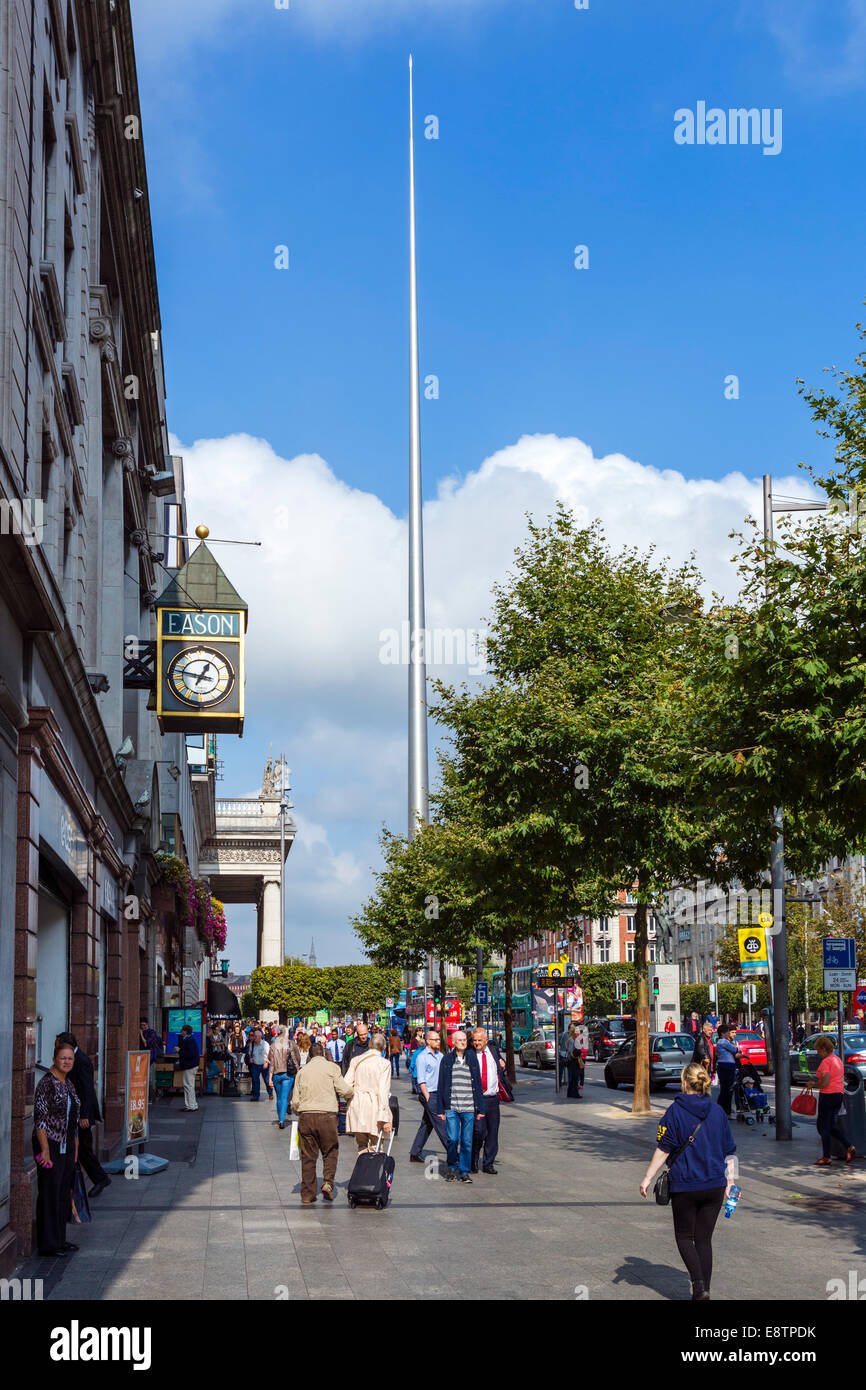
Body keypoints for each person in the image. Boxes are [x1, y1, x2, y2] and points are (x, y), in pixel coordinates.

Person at [639, 1061, 737, 1301]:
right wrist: (732, 1183)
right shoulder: (718, 1112)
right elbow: (729, 1151)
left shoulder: (674, 1111)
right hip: (715, 1185)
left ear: (684, 1083)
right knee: (704, 1239)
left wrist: (648, 1177)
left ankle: (699, 1284)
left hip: (685, 1185)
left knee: (684, 1237)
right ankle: (704, 1292)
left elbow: (664, 1149)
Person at [32, 1040, 81, 1256]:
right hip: (50, 1144)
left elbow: (74, 1118)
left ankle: (60, 1240)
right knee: (50, 1193)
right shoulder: (46, 1083)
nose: (67, 1061)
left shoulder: (67, 1082)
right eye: (63, 1058)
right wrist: (44, 1150)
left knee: (62, 1192)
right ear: (54, 1059)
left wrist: (75, 1149)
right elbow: (40, 1120)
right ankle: (48, 1244)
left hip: (67, 1145)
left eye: (70, 1058)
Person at [290, 1041, 354, 1203]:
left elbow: (295, 1102)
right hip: (328, 1117)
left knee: (308, 1157)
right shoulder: (332, 1068)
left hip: (307, 1117)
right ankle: (327, 1182)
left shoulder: (302, 1072)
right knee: (330, 1151)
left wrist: (300, 1112)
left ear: (310, 1056)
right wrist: (352, 1092)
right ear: (323, 1054)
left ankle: (307, 1194)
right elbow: (344, 1090)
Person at [55, 1032, 111, 1199]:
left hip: (81, 1114)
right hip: (72, 1112)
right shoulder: (71, 1058)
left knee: (84, 1148)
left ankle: (100, 1178)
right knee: (79, 1149)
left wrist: (84, 1115)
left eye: (59, 1045)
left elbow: (87, 1089)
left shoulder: (82, 1060)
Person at [437, 1029, 485, 1182]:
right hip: (451, 1106)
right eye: (460, 1040)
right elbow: (441, 1084)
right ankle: (452, 1166)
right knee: (452, 1139)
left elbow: (477, 1083)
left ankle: (464, 1171)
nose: (464, 1042)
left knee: (467, 1141)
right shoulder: (446, 1060)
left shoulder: (471, 1059)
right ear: (453, 1042)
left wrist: (480, 1108)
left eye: (465, 1040)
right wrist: (440, 1109)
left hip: (469, 1107)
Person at [345, 1033, 393, 1153]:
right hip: (374, 1107)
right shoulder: (384, 1063)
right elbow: (383, 1090)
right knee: (375, 1146)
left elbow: (346, 1084)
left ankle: (362, 1169)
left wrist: (351, 1098)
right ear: (383, 1047)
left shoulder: (356, 1060)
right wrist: (385, 1117)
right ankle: (373, 1171)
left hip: (357, 1105)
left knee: (361, 1145)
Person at [812, 1035, 855, 1166]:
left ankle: (826, 1157)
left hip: (828, 1095)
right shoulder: (837, 1060)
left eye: (819, 1050)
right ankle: (848, 1146)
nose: (818, 1053)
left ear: (824, 1049)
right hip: (838, 1095)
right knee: (830, 1125)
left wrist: (812, 1085)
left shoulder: (826, 1062)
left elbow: (825, 1083)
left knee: (823, 1127)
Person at [471, 1027, 508, 1173]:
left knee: (493, 1133)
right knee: (478, 1131)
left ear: (486, 1040)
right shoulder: (470, 1054)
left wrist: (503, 1066)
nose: (477, 1043)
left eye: (480, 1040)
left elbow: (499, 1066)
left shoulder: (493, 1051)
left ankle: (488, 1163)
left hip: (493, 1099)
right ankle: (473, 1160)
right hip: (477, 1099)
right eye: (474, 1040)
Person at [409, 1029, 449, 1163]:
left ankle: (415, 1152)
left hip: (439, 1093)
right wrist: (428, 1097)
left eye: (439, 1039)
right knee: (441, 1124)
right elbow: (421, 1079)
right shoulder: (422, 1057)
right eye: (436, 1039)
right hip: (429, 1094)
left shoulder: (440, 1056)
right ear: (428, 1041)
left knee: (427, 1124)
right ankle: (454, 1153)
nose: (439, 1042)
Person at [269, 1025, 300, 1129]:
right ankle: (282, 1119)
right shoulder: (290, 1044)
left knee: (279, 1097)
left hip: (276, 1074)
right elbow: (295, 1059)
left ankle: (280, 1117)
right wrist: (298, 1070)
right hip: (288, 1074)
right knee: (284, 1097)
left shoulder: (273, 1045)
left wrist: (269, 1078)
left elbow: (271, 1062)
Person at [714, 1024, 741, 1117]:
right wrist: (736, 1048)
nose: (729, 1034)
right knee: (727, 1090)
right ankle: (724, 1111)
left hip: (726, 1066)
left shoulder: (723, 1042)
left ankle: (725, 1110)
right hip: (726, 1066)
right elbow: (735, 1049)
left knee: (726, 1090)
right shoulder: (723, 1042)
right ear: (722, 1033)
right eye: (727, 1032)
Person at [177, 1024, 200, 1111]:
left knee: (188, 1086)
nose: (181, 1031)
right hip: (192, 1065)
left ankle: (190, 1106)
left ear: (185, 1031)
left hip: (189, 1066)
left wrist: (179, 1050)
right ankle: (192, 1104)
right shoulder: (190, 1040)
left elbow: (190, 1054)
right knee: (190, 1086)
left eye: (182, 1030)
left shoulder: (189, 1041)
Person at [247, 1027, 273, 1101]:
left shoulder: (265, 1044)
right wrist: (250, 1058)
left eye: (255, 1036)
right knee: (255, 1080)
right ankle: (256, 1095)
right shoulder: (252, 1044)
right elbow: (250, 1053)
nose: (253, 1038)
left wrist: (266, 1062)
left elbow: (269, 1054)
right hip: (255, 1064)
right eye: (253, 1036)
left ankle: (270, 1093)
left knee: (267, 1080)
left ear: (259, 1037)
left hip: (264, 1065)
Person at [565, 1023, 585, 1099]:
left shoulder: (573, 1039)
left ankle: (570, 1093)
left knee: (573, 1078)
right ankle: (575, 1093)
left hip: (574, 1060)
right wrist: (578, 1052)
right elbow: (571, 1051)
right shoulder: (572, 1040)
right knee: (575, 1078)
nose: (578, 1033)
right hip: (573, 1061)